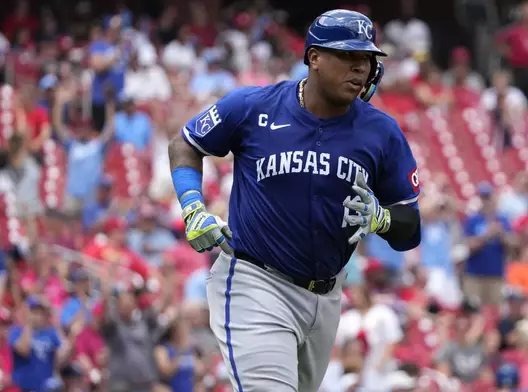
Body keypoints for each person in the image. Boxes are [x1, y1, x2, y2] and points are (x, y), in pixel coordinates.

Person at [168, 9, 421, 392]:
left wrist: (381, 219)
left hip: (327, 295)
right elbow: (185, 144)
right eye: (348, 56)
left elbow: (411, 227)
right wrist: (192, 206)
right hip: (256, 280)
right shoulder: (254, 107)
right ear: (314, 58)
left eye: (367, 60)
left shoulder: (381, 131)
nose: (360, 69)